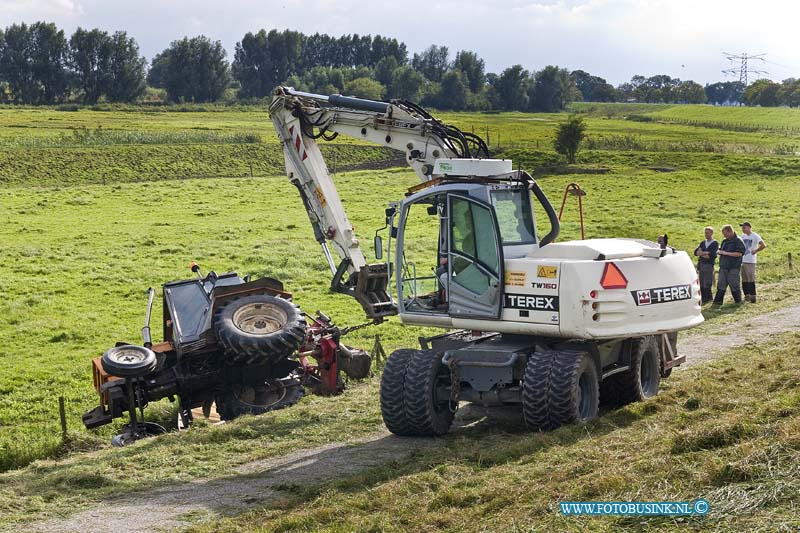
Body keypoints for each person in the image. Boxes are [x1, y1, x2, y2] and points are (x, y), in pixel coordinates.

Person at [712, 224, 746, 307]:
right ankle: (717, 303)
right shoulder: (725, 241)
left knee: (734, 285)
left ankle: (738, 302)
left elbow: (739, 253)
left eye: (725, 234)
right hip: (723, 267)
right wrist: (719, 251)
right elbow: (721, 249)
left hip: (733, 267)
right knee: (721, 285)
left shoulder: (738, 241)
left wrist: (725, 253)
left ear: (730, 231)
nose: (724, 236)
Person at [739, 221, 766, 303]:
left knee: (750, 278)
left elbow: (763, 245)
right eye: (742, 228)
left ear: (749, 227)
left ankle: (753, 296)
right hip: (742, 260)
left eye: (744, 227)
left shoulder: (755, 236)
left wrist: (756, 250)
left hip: (750, 261)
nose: (743, 229)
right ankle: (746, 295)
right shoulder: (742, 236)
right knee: (744, 279)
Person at [694, 226, 718, 305]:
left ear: (711, 233)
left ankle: (708, 298)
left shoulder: (714, 243)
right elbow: (696, 253)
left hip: (708, 265)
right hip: (701, 264)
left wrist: (702, 253)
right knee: (701, 281)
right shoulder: (703, 242)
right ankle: (703, 297)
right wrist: (705, 253)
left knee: (707, 282)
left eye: (707, 233)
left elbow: (711, 256)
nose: (706, 234)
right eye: (705, 233)